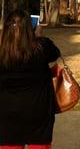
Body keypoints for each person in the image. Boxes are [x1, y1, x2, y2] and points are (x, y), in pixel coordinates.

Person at [0, 10, 60, 149]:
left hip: (6, 112)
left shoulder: (2, 54)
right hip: (38, 111)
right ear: (29, 29)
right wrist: (39, 37)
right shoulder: (41, 49)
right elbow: (55, 53)